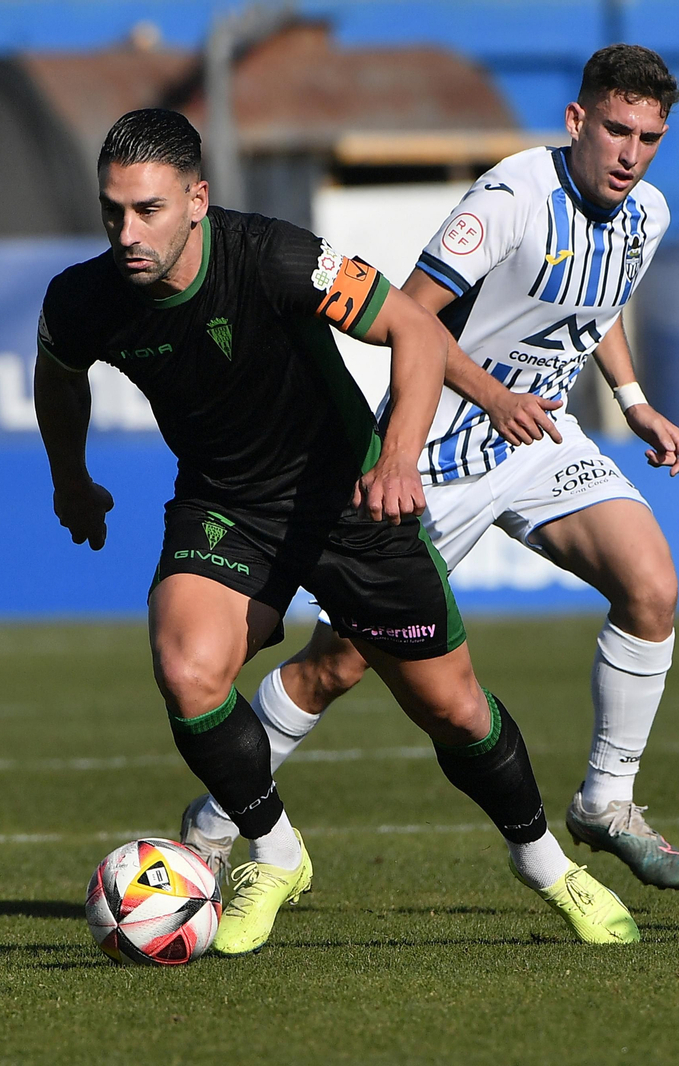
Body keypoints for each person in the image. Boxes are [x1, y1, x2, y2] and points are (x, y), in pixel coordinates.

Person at [36, 107, 640, 956]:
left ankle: (545, 864)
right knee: (188, 669)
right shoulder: (83, 298)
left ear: (198, 200)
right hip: (226, 504)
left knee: (454, 710)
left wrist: (397, 459)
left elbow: (415, 329)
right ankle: (275, 854)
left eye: (149, 211)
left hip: (348, 498)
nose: (127, 233)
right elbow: (59, 376)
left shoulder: (274, 256)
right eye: (113, 211)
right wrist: (72, 481)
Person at [181, 44, 679, 891]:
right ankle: (210, 824)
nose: (630, 154)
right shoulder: (506, 200)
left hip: (540, 436)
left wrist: (633, 398)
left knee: (652, 588)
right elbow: (412, 319)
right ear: (577, 121)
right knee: (336, 664)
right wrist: (493, 396)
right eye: (615, 130)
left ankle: (607, 799)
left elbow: (595, 300)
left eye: (649, 137)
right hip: (442, 447)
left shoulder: (649, 214)